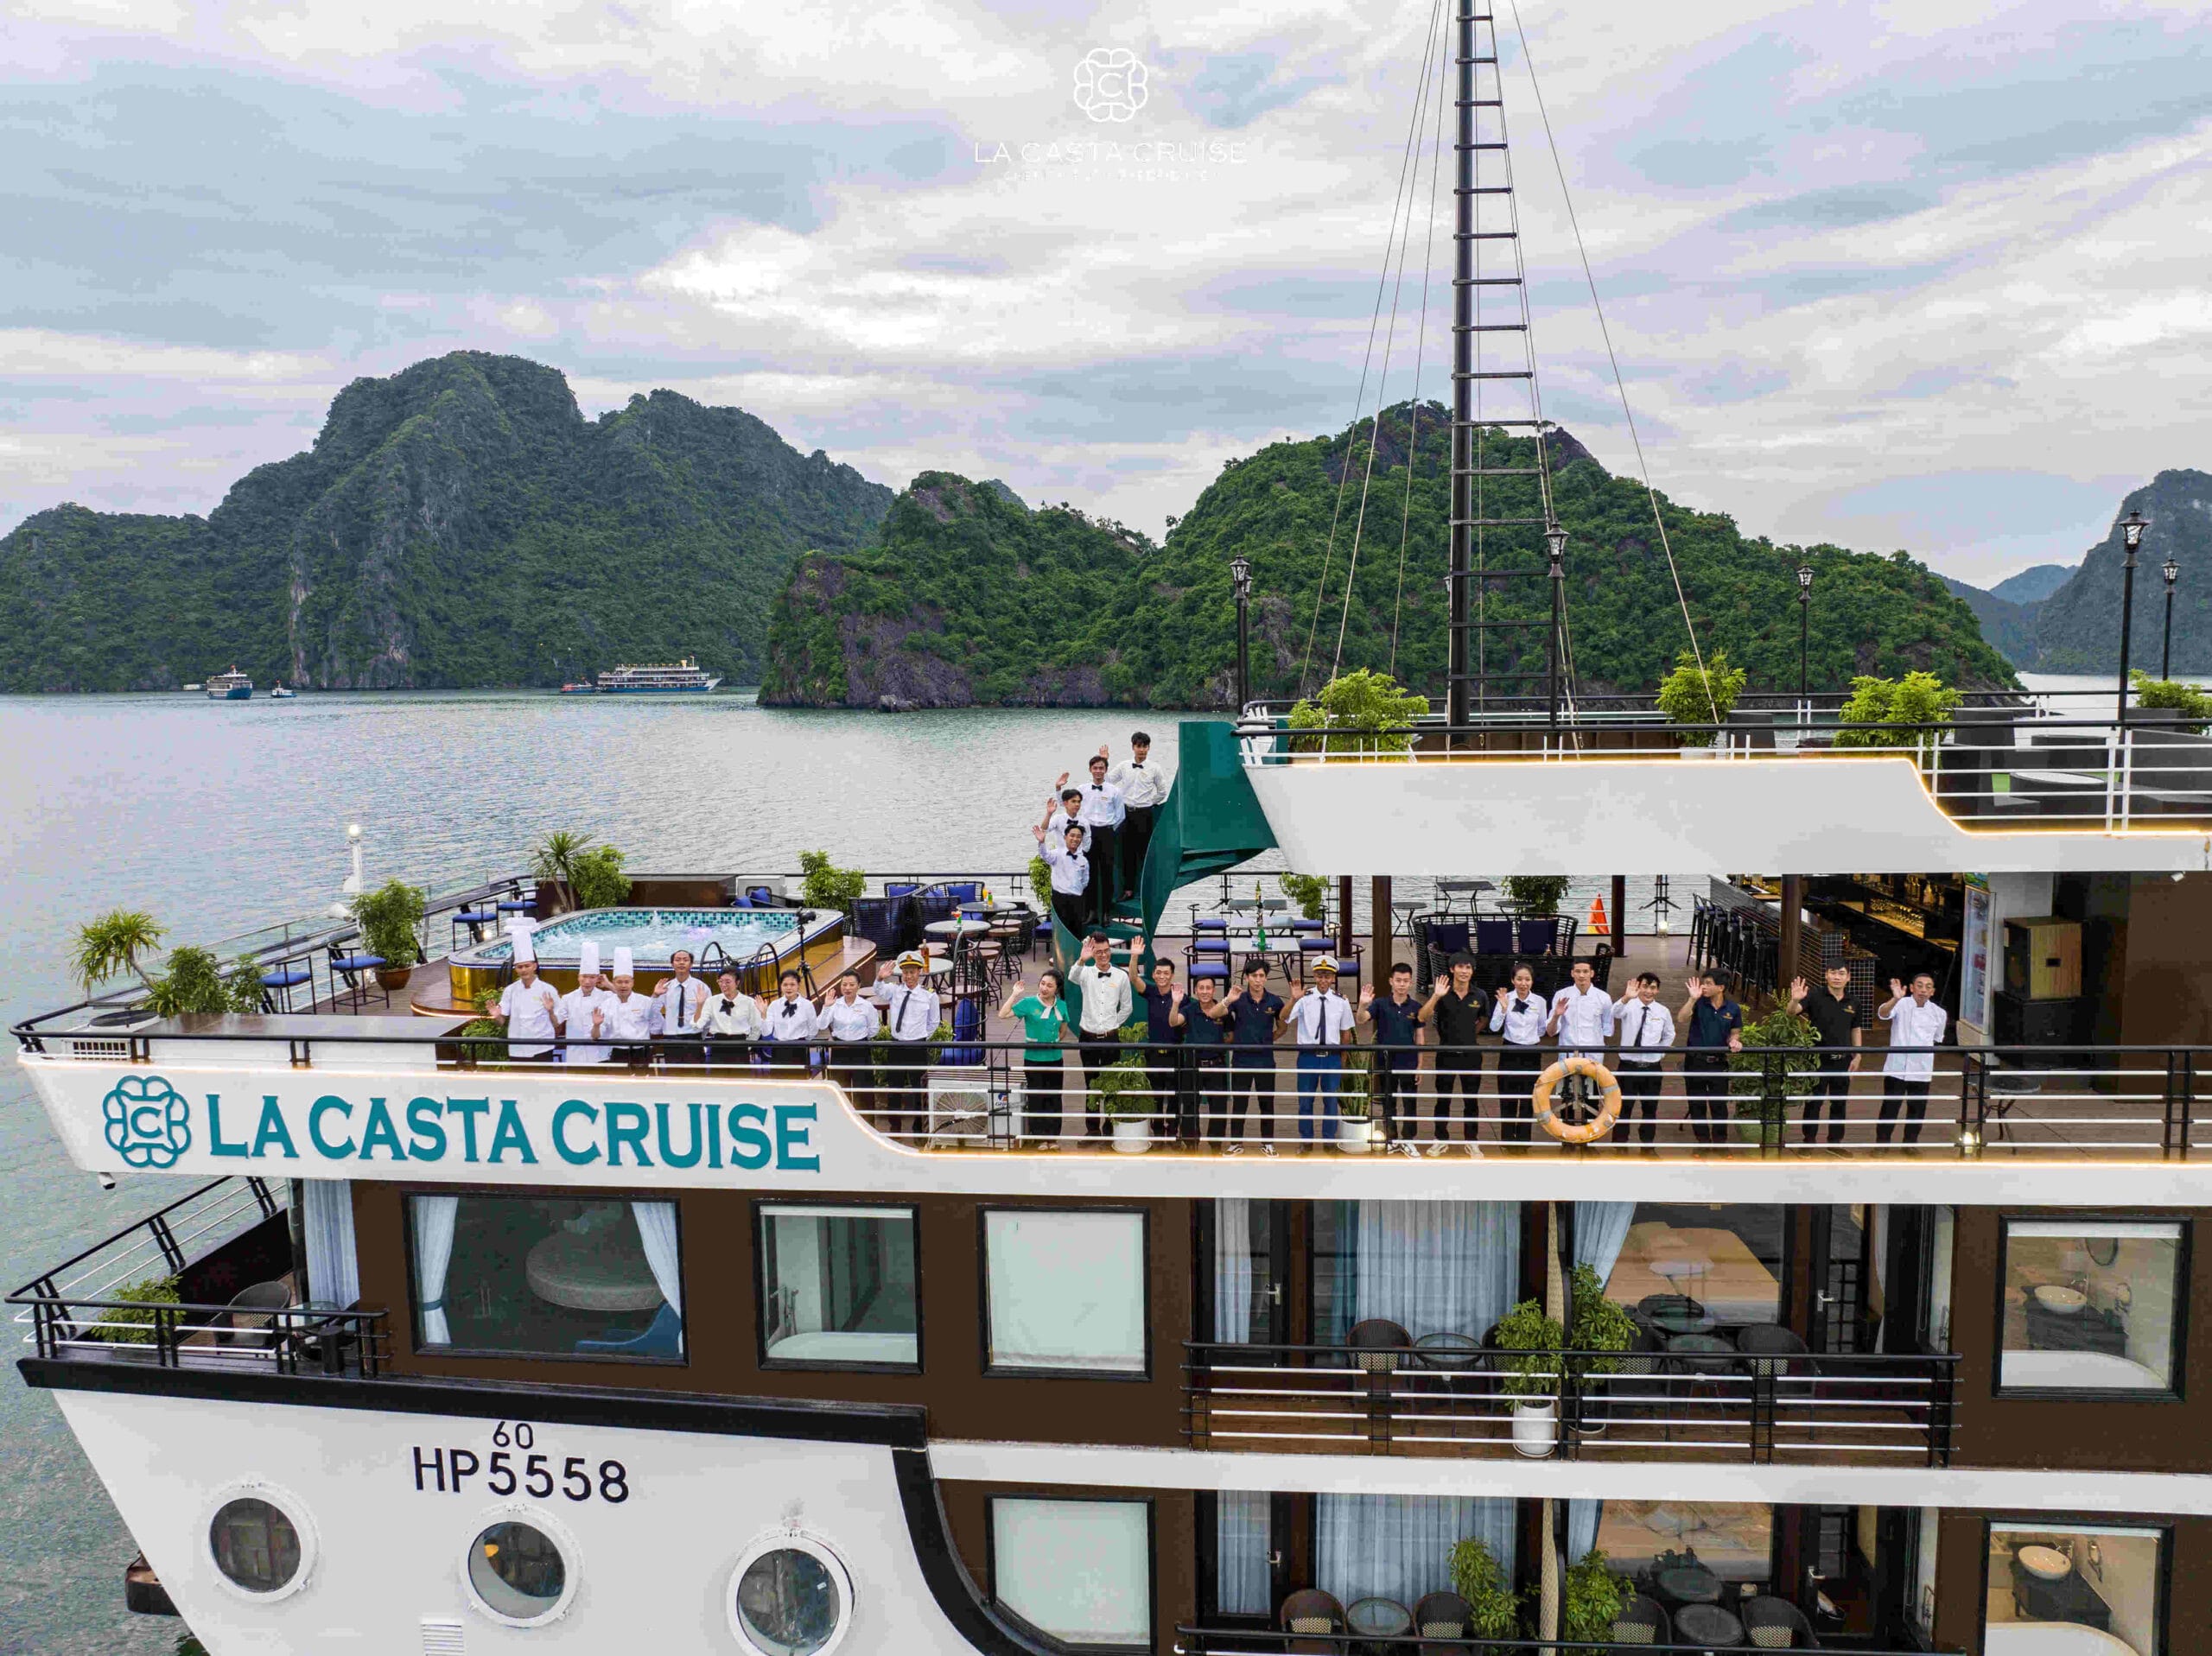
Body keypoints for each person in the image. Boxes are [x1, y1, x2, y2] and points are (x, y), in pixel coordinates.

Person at [1069, 930, 1134, 1136]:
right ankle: (1092, 1130)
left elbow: (1127, 1007)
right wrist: (1082, 959)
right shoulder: (1086, 973)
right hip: (1087, 1037)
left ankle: (1110, 1125)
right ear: (1093, 953)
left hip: (1110, 1038)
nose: (1104, 955)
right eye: (1099, 952)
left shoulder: (1121, 976)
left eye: (1106, 951)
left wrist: (1112, 1024)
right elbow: (1072, 976)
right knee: (1091, 1083)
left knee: (1111, 1083)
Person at [1287, 956, 1356, 1145]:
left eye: (1327, 976)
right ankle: (1306, 1140)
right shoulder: (1305, 999)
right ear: (1314, 976)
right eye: (1319, 976)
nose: (1323, 980)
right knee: (1305, 1101)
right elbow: (1285, 1018)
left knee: (1331, 1102)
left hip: (1331, 1057)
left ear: (1333, 978)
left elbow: (1346, 1033)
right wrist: (1293, 999)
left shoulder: (1341, 1002)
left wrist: (1343, 1059)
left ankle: (1329, 1140)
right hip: (1308, 1056)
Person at [1791, 965, 1863, 1144]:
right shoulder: (1815, 995)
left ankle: (1835, 1142)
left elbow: (1855, 1029)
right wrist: (1794, 1000)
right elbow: (1791, 1012)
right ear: (1826, 975)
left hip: (1843, 1060)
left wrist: (1858, 1055)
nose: (1837, 977)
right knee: (1814, 1102)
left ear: (1848, 977)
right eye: (1833, 973)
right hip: (1817, 1059)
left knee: (1839, 1103)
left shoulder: (1854, 1001)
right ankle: (1808, 1140)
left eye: (1841, 973)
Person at [1000, 969, 1071, 1146]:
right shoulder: (1029, 1003)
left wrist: (1052, 1041)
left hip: (1055, 1058)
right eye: (1042, 983)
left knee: (1054, 1098)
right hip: (1033, 1059)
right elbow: (1003, 1014)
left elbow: (1063, 1030)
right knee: (1037, 1098)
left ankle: (1052, 1138)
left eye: (1049, 986)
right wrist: (1014, 994)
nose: (1044, 988)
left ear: (1057, 989)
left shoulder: (1062, 1005)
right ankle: (1039, 1137)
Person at [873, 953, 940, 1138]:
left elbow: (934, 1022)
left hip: (917, 1047)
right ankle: (895, 1128)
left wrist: (920, 1036)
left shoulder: (929, 995)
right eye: (905, 972)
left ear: (919, 972)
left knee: (920, 1089)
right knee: (894, 1089)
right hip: (897, 1046)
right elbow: (878, 989)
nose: (909, 976)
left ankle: (919, 1128)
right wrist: (880, 977)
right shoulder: (894, 991)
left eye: (912, 972)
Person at [1421, 953, 1486, 1141]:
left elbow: (1484, 1018)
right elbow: (1422, 1016)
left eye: (1468, 968)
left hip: (1471, 1055)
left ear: (1473, 971)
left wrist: (1469, 1034)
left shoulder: (1480, 995)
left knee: (1471, 1100)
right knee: (1443, 1099)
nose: (1464, 971)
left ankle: (1471, 1141)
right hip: (1446, 1054)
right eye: (1460, 967)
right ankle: (1440, 1139)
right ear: (1452, 969)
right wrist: (1436, 996)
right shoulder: (1442, 993)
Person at [1877, 972, 1948, 1145]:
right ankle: (1882, 1143)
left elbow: (1937, 1038)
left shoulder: (1939, 1013)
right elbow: (1883, 1014)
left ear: (1933, 991)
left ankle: (1910, 1143)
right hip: (1897, 1067)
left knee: (1917, 1109)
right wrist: (1895, 998)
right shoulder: (1901, 1003)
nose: (1923, 990)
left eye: (1928, 987)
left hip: (1922, 1069)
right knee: (1890, 1108)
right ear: (1911, 988)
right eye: (1919, 985)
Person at [1358, 961, 1423, 1140]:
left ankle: (1409, 1139)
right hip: (1385, 1061)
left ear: (1410, 982)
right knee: (1388, 1102)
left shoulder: (1416, 1007)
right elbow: (1361, 1019)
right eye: (1398, 980)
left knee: (1410, 1103)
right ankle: (1390, 1138)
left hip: (1409, 1062)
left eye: (1406, 981)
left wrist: (1420, 1065)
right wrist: (1362, 1005)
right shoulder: (1380, 1004)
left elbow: (1420, 1037)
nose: (1402, 984)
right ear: (1391, 981)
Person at [1678, 971, 1745, 1145]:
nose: (1703, 986)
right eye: (1703, 983)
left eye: (1708, 983)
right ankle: (1703, 1142)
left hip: (1718, 1063)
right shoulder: (1699, 1003)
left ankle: (1720, 1142)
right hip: (1695, 1061)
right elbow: (1681, 1018)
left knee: (1719, 1105)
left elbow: (1735, 1032)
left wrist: (1735, 1041)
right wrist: (1692, 999)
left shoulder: (1733, 1009)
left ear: (1721, 987)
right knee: (1697, 1104)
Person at [1224, 961, 1285, 1145]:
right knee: (1239, 1105)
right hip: (1241, 1061)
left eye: (1261, 976)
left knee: (1266, 1105)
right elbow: (1215, 1013)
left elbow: (1283, 1026)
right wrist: (1227, 1000)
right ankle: (1236, 1144)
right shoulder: (1238, 999)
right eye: (1254, 976)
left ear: (1266, 978)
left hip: (1265, 1061)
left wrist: (1267, 1039)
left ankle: (1268, 1144)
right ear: (1247, 977)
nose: (1258, 980)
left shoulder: (1275, 1001)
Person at [1611, 972, 1675, 1145]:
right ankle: (1620, 1144)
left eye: (1653, 988)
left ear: (1658, 990)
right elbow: (1615, 1013)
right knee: (1623, 1107)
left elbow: (1669, 1034)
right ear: (1638, 987)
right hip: (1628, 1066)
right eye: (1645, 987)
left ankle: (1647, 1144)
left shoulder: (1663, 1011)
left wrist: (1659, 1053)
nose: (1649, 991)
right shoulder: (1628, 1005)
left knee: (1650, 1108)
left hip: (1651, 1067)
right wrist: (1626, 997)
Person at [1103, 734, 1166, 902]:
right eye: (1139, 746)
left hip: (1144, 814)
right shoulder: (1124, 766)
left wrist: (1149, 803)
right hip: (1125, 813)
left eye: (1145, 746)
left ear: (1149, 748)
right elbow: (1108, 781)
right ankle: (1129, 890)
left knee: (1145, 853)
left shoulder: (1155, 768)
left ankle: (1148, 890)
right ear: (1133, 747)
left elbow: (1162, 792)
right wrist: (1105, 761)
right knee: (1127, 852)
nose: (1142, 750)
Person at [1490, 963, 1548, 1143]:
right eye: (1519, 979)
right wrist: (1503, 1009)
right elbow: (1494, 1027)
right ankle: (1507, 1139)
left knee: (1528, 1098)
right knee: (1507, 1096)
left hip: (1531, 1052)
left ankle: (1523, 1140)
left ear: (1532, 981)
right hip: (1509, 1050)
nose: (1523, 983)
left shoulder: (1539, 1001)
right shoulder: (1506, 998)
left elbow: (1542, 1029)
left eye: (1527, 979)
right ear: (1512, 980)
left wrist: (1529, 1038)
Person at [1133, 942, 1186, 1133]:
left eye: (1166, 973)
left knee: (1174, 1096)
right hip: (1154, 1053)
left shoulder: (1182, 998)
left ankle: (1172, 1131)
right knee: (1155, 1095)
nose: (1162, 976)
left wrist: (1176, 1002)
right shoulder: (1151, 992)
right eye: (1158, 973)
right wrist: (1134, 955)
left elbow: (1177, 1022)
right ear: (1154, 975)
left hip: (1174, 1053)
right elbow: (1134, 978)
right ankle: (1156, 1130)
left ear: (1172, 975)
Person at [486, 930, 559, 1061]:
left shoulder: (548, 990)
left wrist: (551, 1011)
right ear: (515, 969)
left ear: (534, 966)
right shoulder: (510, 990)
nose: (524, 970)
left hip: (542, 1048)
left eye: (527, 966)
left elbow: (557, 1023)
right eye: (520, 967)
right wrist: (496, 1015)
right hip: (517, 1049)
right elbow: (501, 1022)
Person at [1071, 755, 1126, 925]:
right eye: (1095, 768)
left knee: (1107, 874)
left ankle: (1106, 913)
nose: (1098, 771)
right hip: (1087, 833)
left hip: (1106, 832)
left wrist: (1108, 830)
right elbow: (1073, 808)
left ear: (1106, 770)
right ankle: (1091, 913)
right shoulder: (1082, 789)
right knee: (1089, 873)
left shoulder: (1114, 791)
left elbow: (1120, 816)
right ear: (1090, 770)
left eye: (1101, 768)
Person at [1181, 971, 1233, 1144]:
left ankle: (1215, 1144)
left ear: (1214, 990)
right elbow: (1175, 1023)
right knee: (1189, 1105)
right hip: (1192, 1064)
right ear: (1195, 990)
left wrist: (1217, 1044)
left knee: (1218, 1106)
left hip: (1216, 1064)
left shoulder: (1223, 1010)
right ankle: (1190, 1143)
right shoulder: (1188, 1010)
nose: (1205, 992)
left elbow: (1230, 1035)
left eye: (1208, 988)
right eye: (1201, 988)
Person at [819, 970, 880, 1114]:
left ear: (859, 985)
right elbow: (821, 1025)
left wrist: (860, 1038)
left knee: (863, 1092)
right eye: (844, 984)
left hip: (861, 1050)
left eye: (851, 984)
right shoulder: (835, 1005)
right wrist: (826, 1007)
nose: (847, 988)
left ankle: (866, 1123)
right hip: (839, 1050)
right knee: (841, 1091)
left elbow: (874, 1029)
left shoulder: (866, 1006)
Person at [556, 941, 615, 1065]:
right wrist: (550, 1011)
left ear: (598, 978)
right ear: (578, 977)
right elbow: (556, 1020)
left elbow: (626, 997)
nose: (587, 981)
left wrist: (608, 984)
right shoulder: (568, 998)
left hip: (600, 1055)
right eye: (584, 976)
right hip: (575, 1056)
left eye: (592, 977)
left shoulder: (606, 996)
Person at [1033, 819, 1092, 942]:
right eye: (1072, 836)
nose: (1075, 839)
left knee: (1077, 932)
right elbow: (1045, 855)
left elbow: (1085, 881)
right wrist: (1042, 842)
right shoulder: (1057, 854)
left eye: (1079, 837)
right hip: (1060, 899)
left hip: (1077, 900)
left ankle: (1076, 954)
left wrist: (1077, 890)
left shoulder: (1083, 860)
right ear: (1065, 837)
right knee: (1061, 933)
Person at [695, 968, 766, 1071]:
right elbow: (701, 1024)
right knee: (718, 1078)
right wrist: (699, 1005)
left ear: (737, 983)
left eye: (728, 982)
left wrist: (748, 1046)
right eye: (720, 981)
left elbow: (757, 1027)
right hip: (718, 1045)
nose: (723, 985)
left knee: (740, 1077)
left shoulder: (749, 1002)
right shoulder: (711, 1001)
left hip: (740, 1046)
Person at [602, 947, 660, 1070]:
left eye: (627, 982)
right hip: (617, 1051)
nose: (623, 985)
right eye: (619, 982)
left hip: (641, 1051)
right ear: (614, 982)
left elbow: (658, 1025)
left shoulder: (645, 1001)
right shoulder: (606, 1004)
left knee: (643, 1082)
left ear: (632, 982)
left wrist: (645, 1037)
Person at [651, 949, 709, 1069]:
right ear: (672, 964)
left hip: (694, 1037)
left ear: (691, 964)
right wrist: (655, 995)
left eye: (685, 960)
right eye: (678, 960)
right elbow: (652, 1012)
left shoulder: (701, 987)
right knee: (674, 1075)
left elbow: (708, 1015)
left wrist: (701, 1036)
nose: (681, 963)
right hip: (671, 1039)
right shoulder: (665, 987)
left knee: (695, 1075)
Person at [1548, 958, 1617, 1056]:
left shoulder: (1603, 997)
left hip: (1594, 1054)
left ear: (1592, 973)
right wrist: (1556, 1016)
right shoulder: (1561, 995)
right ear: (1572, 973)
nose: (1581, 975)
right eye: (1578, 971)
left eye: (1585, 971)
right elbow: (1551, 1032)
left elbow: (1607, 1028)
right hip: (1568, 1053)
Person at [761, 969, 820, 1077]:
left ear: (798, 986)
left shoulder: (807, 1005)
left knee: (799, 1082)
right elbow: (766, 1032)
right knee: (779, 1083)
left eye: (792, 984)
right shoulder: (774, 1005)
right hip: (778, 1050)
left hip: (799, 1050)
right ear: (781, 986)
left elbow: (813, 1030)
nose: (789, 988)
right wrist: (763, 1015)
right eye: (785, 985)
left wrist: (802, 1041)